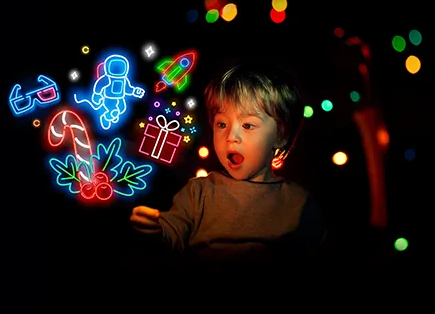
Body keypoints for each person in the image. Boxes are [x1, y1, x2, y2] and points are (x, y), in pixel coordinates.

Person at [130, 62, 326, 272]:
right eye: (222, 124)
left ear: (280, 136)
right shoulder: (199, 192)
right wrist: (155, 230)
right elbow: (173, 235)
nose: (231, 137)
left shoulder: (299, 203)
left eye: (248, 125)